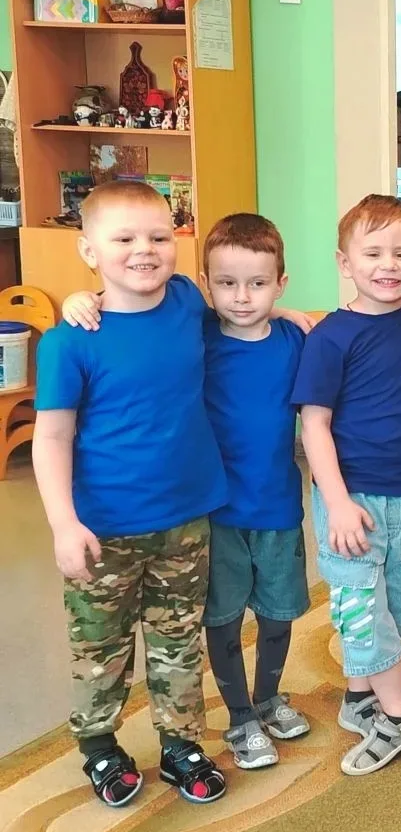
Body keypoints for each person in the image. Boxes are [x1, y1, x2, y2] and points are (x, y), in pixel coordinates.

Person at [59, 213, 320, 771]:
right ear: (205, 285)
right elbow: (130, 308)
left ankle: (269, 699)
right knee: (220, 618)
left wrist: (289, 313)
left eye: (258, 284)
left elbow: (346, 338)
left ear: (281, 283)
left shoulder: (294, 338)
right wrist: (80, 298)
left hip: (278, 507)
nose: (242, 296)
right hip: (214, 511)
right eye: (226, 283)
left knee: (279, 614)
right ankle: (240, 716)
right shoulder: (195, 330)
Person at [34, 180, 229, 805]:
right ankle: (98, 745)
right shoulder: (69, 340)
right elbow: (52, 437)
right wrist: (63, 524)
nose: (144, 249)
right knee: (101, 645)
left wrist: (287, 314)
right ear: (89, 251)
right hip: (103, 528)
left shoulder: (186, 299)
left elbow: (238, 311)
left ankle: (180, 743)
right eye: (123, 239)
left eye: (158, 236)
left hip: (186, 516)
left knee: (179, 639)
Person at [292, 193, 401, 775]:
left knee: (395, 601)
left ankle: (360, 697)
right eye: (372, 253)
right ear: (344, 262)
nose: (388, 265)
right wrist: (336, 502)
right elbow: (314, 425)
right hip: (350, 496)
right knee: (358, 604)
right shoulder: (330, 336)